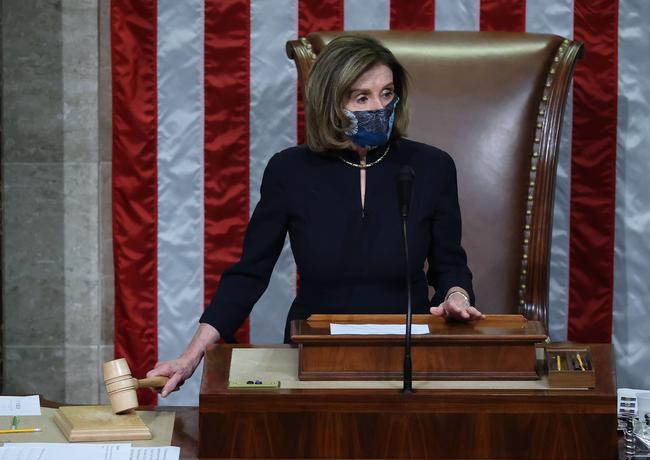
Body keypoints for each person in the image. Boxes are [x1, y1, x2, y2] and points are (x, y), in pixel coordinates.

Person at [147, 34, 483, 397]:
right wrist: (191, 355)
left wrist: (457, 295)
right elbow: (248, 274)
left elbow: (449, 264)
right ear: (331, 104)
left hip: (407, 352)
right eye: (362, 97)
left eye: (387, 93)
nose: (379, 107)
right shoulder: (289, 171)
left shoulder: (432, 166)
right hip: (316, 352)